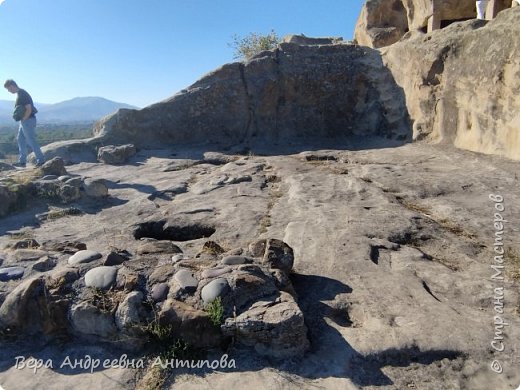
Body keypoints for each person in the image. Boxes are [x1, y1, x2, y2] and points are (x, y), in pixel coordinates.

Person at [3, 79, 45, 167]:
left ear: (12, 86)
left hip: (28, 120)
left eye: (8, 89)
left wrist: (24, 119)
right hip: (25, 121)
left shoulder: (22, 94)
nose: (9, 91)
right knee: (20, 139)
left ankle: (41, 160)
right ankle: (22, 161)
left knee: (31, 140)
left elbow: (29, 109)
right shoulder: (20, 93)